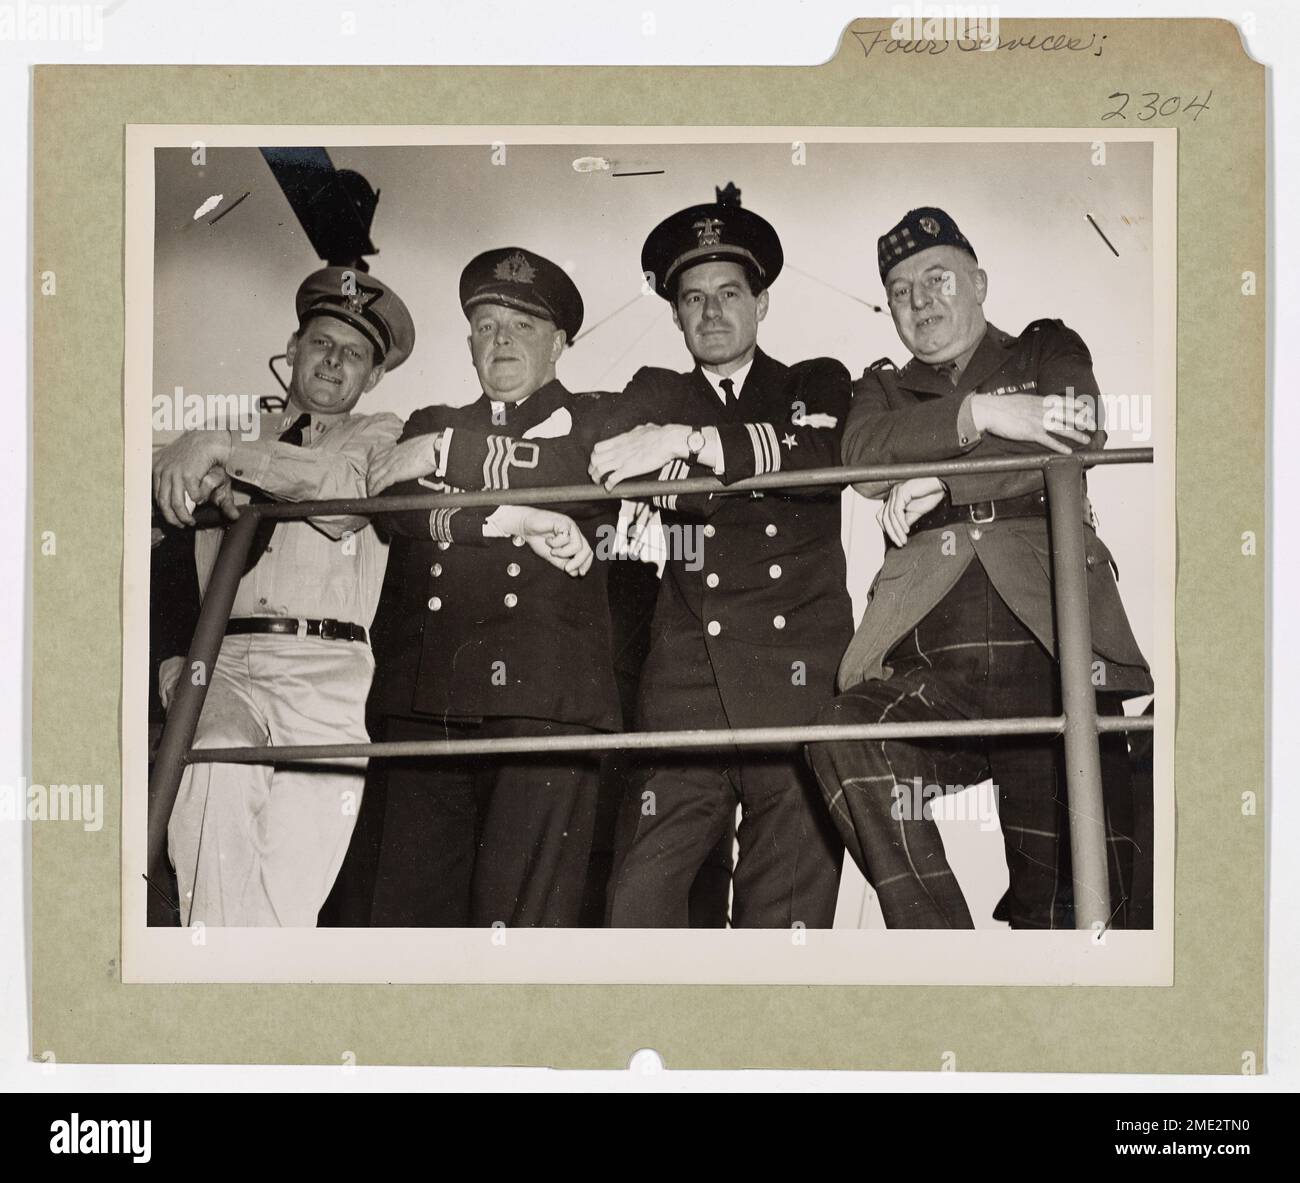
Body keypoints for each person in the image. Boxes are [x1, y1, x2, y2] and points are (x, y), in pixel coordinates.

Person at [807, 206, 1153, 930]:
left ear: (980, 282)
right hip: (935, 670)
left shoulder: (1044, 346)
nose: (921, 301)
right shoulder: (881, 389)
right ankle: (942, 954)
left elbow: (1078, 422)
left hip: (1051, 653)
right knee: (844, 738)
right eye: (901, 291)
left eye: (938, 279)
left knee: (1074, 900)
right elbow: (863, 462)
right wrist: (985, 417)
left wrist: (943, 480)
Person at [337, 247, 619, 929]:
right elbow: (399, 515)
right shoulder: (430, 418)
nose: (502, 341)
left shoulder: (595, 422)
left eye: (523, 327)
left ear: (559, 344)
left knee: (523, 930)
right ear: (468, 345)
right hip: (424, 704)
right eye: (487, 326)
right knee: (403, 925)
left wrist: (457, 485)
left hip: (543, 709)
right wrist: (509, 518)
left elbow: (581, 480)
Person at [594, 183, 851, 929]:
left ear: (762, 301)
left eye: (729, 292)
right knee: (636, 907)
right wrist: (746, 474)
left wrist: (685, 444)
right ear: (674, 313)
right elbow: (611, 462)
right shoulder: (652, 388)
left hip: (798, 691)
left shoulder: (814, 380)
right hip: (685, 696)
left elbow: (825, 451)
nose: (710, 312)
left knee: (786, 927)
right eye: (692, 298)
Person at [151, 266, 414, 926]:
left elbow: (340, 501)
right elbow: (151, 504)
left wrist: (229, 457)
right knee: (213, 765)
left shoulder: (379, 433)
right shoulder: (219, 432)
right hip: (226, 661)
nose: (334, 361)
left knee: (284, 900)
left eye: (354, 353)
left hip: (330, 678)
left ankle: (233, 998)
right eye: (322, 342)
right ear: (291, 350)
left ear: (374, 377)